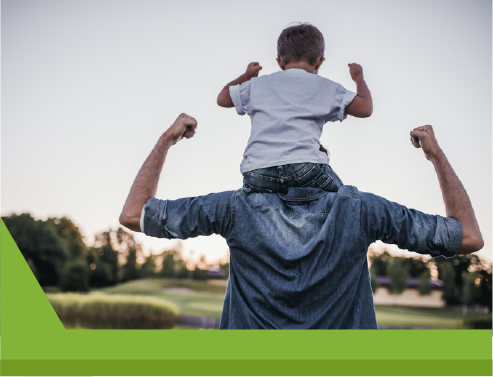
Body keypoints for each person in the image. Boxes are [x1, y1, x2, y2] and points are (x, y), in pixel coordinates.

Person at [119, 113, 483, 329]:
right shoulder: (361, 210)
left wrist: (167, 140)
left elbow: (134, 214)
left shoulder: (234, 208)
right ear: (323, 161)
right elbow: (467, 237)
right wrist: (436, 156)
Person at [216, 23, 373, 193]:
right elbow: (365, 108)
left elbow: (222, 98)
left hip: (256, 172)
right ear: (320, 62)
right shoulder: (326, 87)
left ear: (279, 62)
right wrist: (359, 79)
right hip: (304, 168)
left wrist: (247, 76)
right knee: (345, 200)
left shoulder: (258, 84)